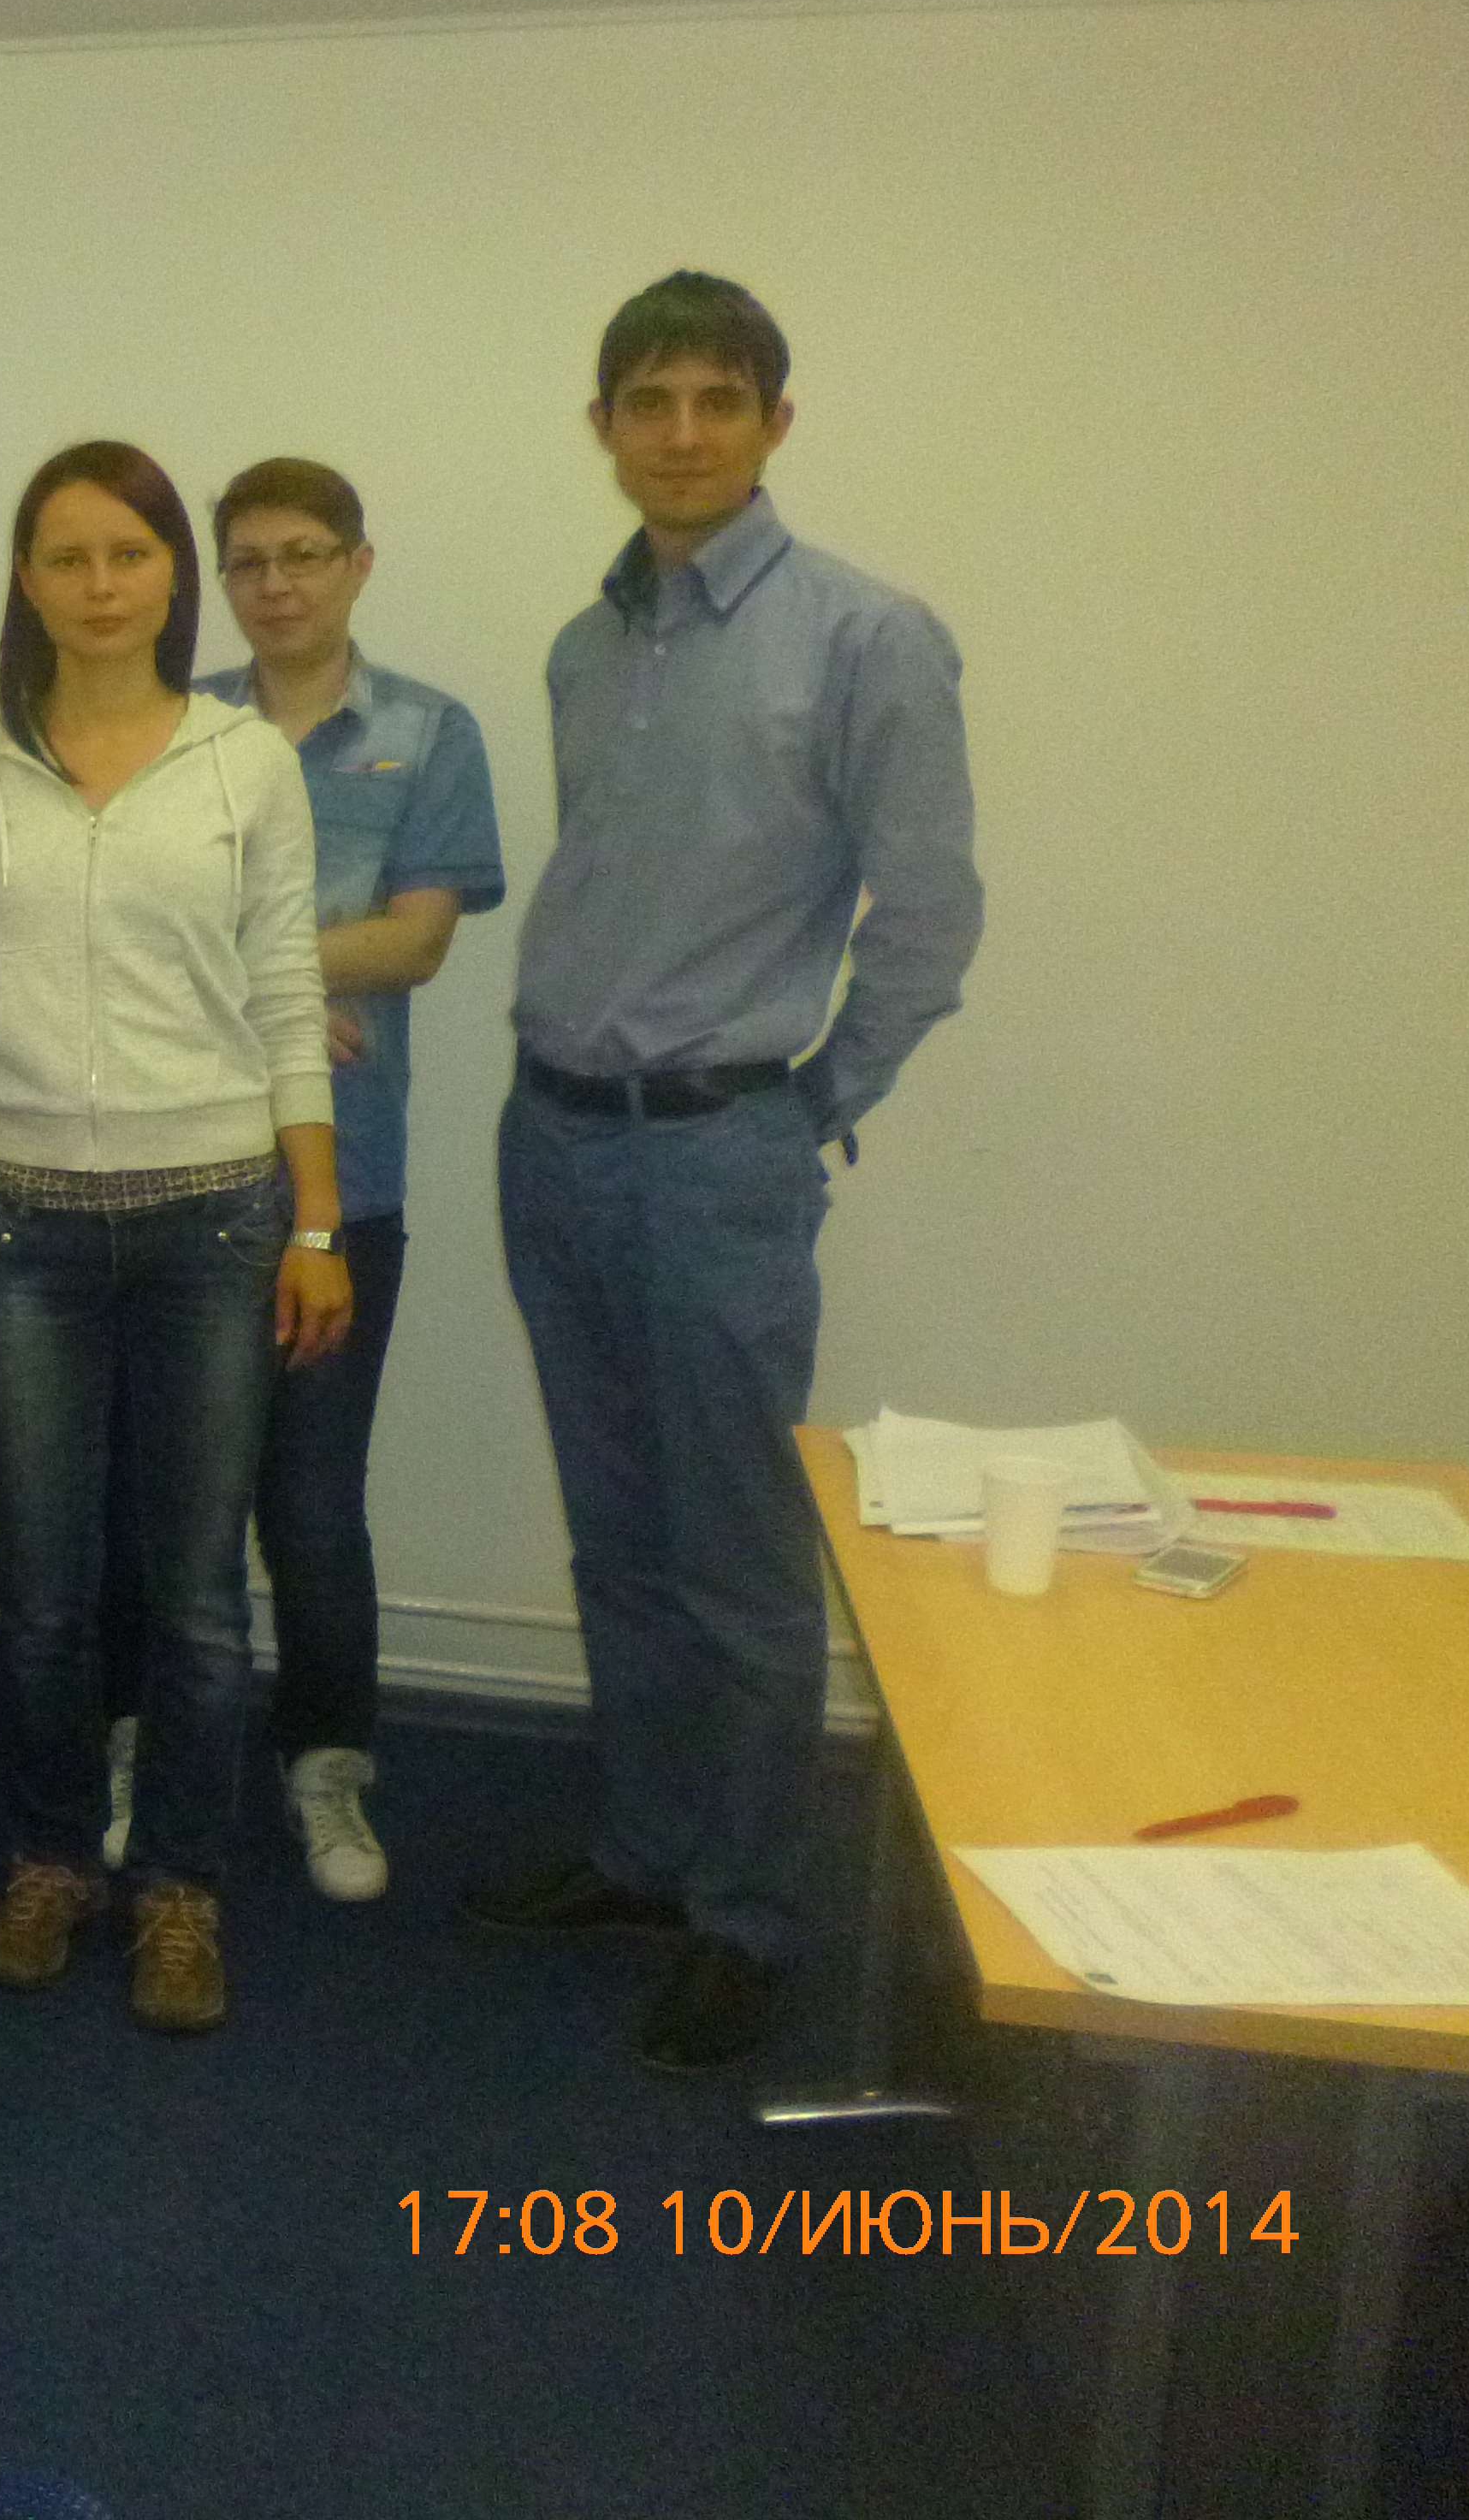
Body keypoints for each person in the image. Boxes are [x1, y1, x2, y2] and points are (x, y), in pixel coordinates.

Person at [464, 272, 981, 2075]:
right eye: (648, 401)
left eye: (716, 399)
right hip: (554, 1138)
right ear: (601, 426)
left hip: (716, 1160)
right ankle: (645, 1853)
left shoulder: (868, 638)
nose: (680, 433)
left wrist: (803, 1099)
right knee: (619, 1537)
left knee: (740, 1562)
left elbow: (929, 916)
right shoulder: (584, 646)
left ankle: (748, 1915)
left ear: (775, 419)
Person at [0, 441, 352, 2037]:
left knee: (199, 1598)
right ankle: (49, 1861)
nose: (101, 585)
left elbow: (288, 998)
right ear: (25, 582)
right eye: (67, 557)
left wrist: (316, 1222)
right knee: (40, 1592)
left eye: (131, 554)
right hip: (20, 1226)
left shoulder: (246, 764)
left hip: (215, 1218)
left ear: (174, 576)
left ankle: (178, 1889)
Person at [179, 458, 504, 1902]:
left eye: (305, 554)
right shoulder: (175, 724)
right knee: (165, 1497)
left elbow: (418, 941)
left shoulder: (431, 732)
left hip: (343, 1187)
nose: (277, 585)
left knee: (312, 1505)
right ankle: (153, 1749)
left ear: (359, 565)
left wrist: (244, 963)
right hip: (175, 1168)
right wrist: (297, 976)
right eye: (249, 561)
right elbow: (122, 930)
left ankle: (326, 1766)